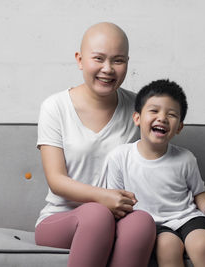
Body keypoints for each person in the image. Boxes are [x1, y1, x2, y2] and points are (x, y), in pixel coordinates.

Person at [34, 22, 156, 267]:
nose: (108, 69)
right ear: (80, 60)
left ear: (127, 63)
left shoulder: (139, 109)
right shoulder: (55, 107)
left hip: (118, 218)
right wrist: (103, 198)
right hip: (61, 219)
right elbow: (56, 181)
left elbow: (155, 166)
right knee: (97, 215)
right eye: (98, 58)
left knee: (142, 221)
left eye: (118, 60)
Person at [103, 79, 205, 267]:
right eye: (154, 111)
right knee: (167, 246)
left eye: (171, 115)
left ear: (179, 127)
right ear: (137, 118)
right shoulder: (119, 157)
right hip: (153, 226)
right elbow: (114, 201)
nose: (162, 118)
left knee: (200, 246)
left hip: (189, 219)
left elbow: (199, 193)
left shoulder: (186, 158)